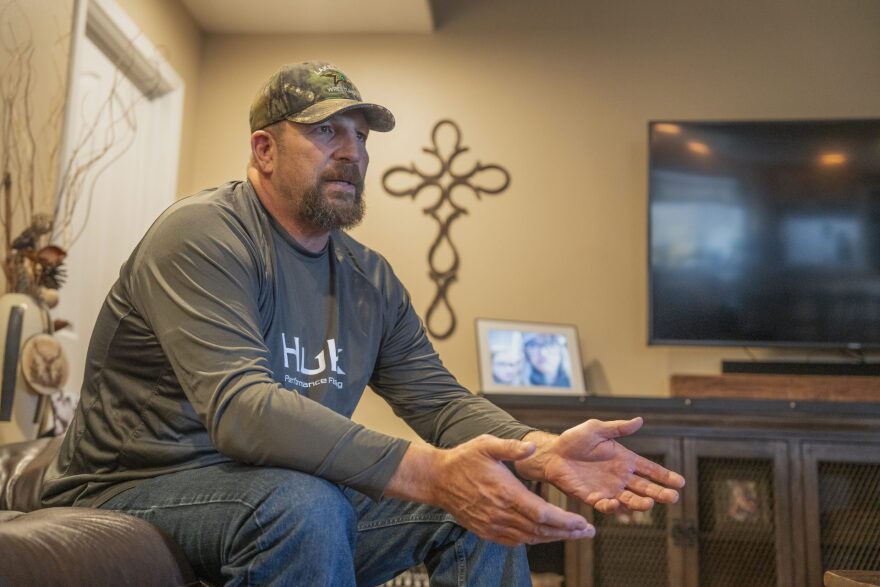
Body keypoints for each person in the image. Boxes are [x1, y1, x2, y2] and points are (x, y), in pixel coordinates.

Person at [41, 61, 685, 586]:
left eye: (361, 137)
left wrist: (536, 451)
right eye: (325, 133)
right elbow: (244, 412)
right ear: (263, 150)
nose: (351, 153)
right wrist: (434, 473)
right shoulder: (203, 235)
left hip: (265, 491)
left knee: (481, 503)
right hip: (131, 489)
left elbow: (439, 402)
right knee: (304, 503)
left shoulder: (368, 278)